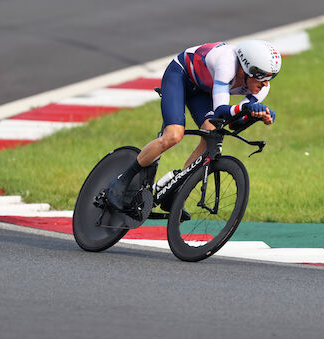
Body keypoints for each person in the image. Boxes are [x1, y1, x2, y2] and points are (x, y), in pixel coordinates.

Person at [107, 39, 282, 211]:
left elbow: (233, 124)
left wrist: (254, 116)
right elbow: (221, 110)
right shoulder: (227, 62)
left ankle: (176, 191)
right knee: (173, 135)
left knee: (212, 133)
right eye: (261, 75)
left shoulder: (262, 88)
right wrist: (246, 108)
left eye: (271, 76)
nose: (266, 82)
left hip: (203, 90)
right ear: (245, 68)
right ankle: (121, 181)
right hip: (181, 76)